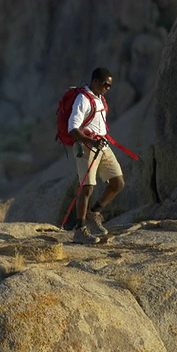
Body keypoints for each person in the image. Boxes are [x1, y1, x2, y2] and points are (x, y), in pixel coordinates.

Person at [68, 67, 124, 244]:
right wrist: (91, 142)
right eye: (105, 84)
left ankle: (95, 213)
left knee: (117, 182)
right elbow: (72, 128)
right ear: (95, 82)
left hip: (102, 145)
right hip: (86, 146)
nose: (108, 88)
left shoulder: (100, 98)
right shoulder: (82, 99)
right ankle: (80, 229)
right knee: (87, 188)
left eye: (109, 86)